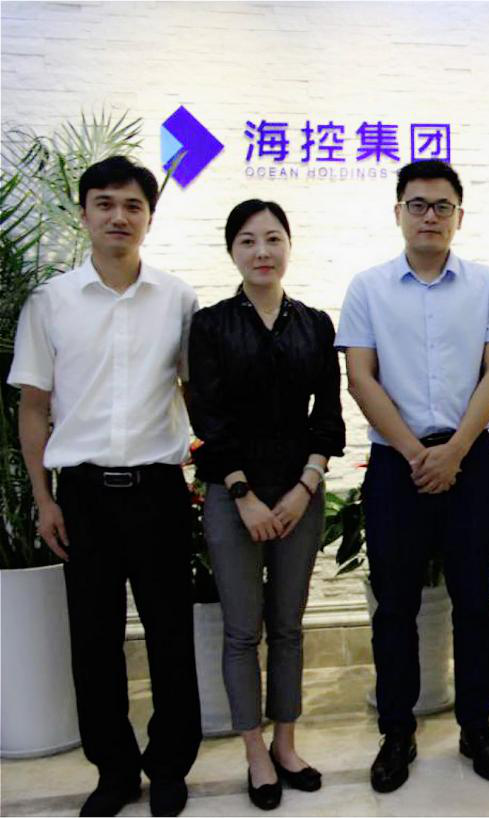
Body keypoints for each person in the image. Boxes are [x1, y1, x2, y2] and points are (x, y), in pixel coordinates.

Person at [9, 156, 201, 817]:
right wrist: (43, 498)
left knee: (170, 634)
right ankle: (114, 772)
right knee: (93, 641)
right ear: (85, 211)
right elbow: (33, 405)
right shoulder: (51, 302)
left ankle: (169, 767)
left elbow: (194, 393)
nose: (119, 216)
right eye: (105, 203)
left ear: (150, 217)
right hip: (83, 495)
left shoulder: (178, 300)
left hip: (158, 490)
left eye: (133, 205)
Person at [335, 160, 489, 790]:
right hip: (397, 465)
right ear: (398, 213)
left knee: (476, 602)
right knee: (395, 606)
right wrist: (418, 453)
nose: (430, 216)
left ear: (459, 216)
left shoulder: (487, 283)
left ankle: (477, 726)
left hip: (469, 461)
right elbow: (360, 378)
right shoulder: (368, 288)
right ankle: (397, 732)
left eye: (443, 206)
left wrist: (454, 451)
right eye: (417, 204)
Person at [186, 200, 344, 809]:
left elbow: (327, 417)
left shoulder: (315, 324)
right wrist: (244, 495)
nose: (262, 252)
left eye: (273, 239)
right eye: (248, 241)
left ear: (289, 246)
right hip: (234, 497)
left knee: (288, 627)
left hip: (300, 493)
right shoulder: (211, 325)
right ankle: (254, 752)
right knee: (240, 630)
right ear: (232, 251)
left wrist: (306, 486)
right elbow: (209, 419)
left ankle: (286, 744)